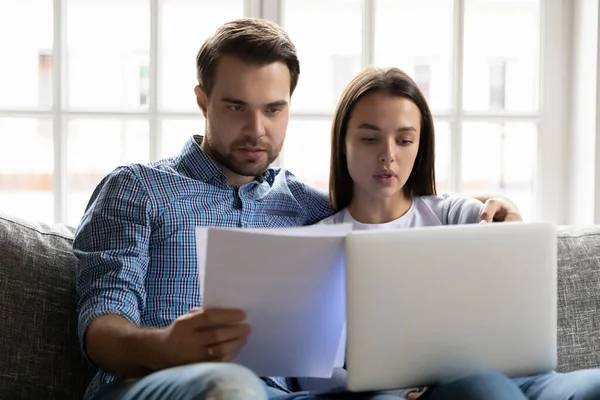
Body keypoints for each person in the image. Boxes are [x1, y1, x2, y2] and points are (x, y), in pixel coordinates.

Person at [73, 18, 524, 400]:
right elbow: (99, 328)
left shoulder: (309, 209)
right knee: (231, 384)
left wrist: (486, 206)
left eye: (273, 109)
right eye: (236, 107)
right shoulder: (137, 189)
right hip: (156, 382)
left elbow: (391, 212)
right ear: (203, 101)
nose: (256, 128)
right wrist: (167, 346)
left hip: (289, 395)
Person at [292, 65, 600, 400]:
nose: (388, 156)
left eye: (405, 140)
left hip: (526, 380)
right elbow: (315, 377)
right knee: (483, 388)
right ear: (342, 144)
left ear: (420, 147)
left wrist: (509, 224)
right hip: (413, 393)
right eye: (369, 139)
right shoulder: (318, 245)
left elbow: (509, 278)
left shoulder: (454, 215)